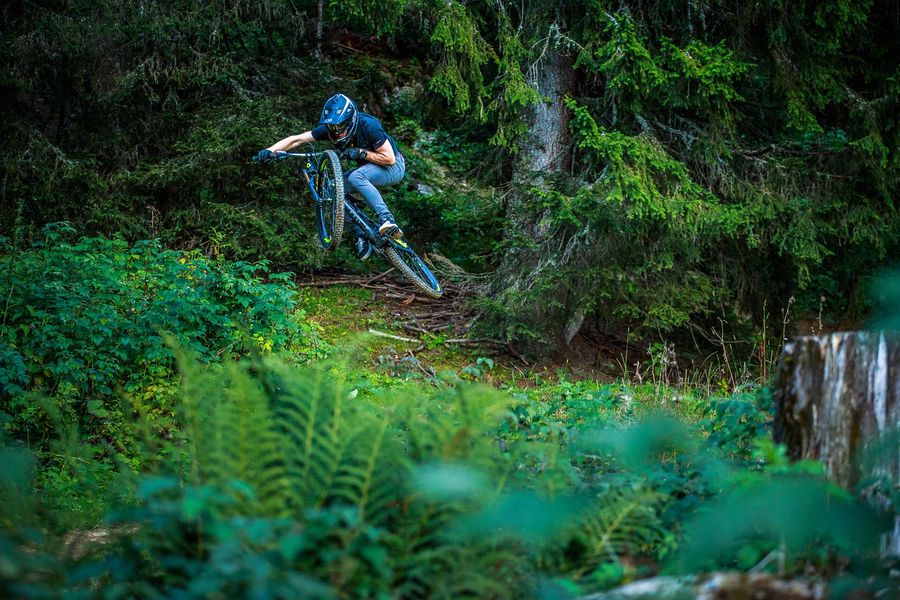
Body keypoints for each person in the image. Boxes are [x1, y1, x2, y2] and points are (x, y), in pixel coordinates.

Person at [256, 93, 405, 260]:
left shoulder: (368, 125)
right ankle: (360, 234)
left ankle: (387, 219)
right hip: (368, 170)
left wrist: (360, 153)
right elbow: (296, 140)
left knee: (356, 177)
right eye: (333, 128)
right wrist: (270, 150)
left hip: (393, 167)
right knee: (333, 189)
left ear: (351, 120)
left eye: (341, 127)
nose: (337, 132)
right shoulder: (331, 129)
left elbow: (389, 158)